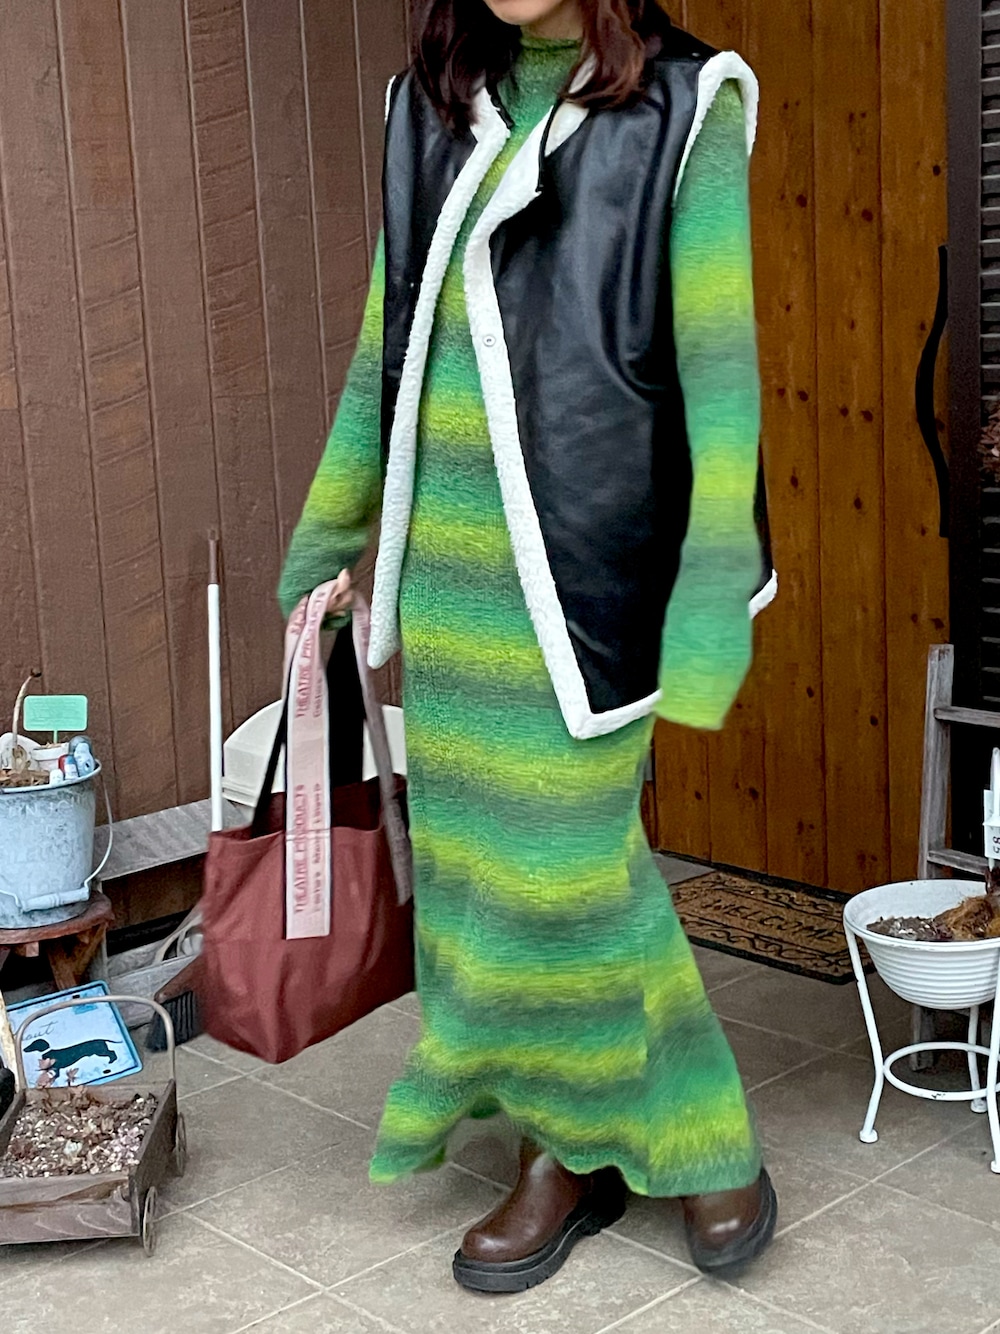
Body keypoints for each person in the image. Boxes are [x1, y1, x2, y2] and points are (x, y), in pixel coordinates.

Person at [279, 0, 778, 1294]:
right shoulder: (426, 107)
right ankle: (562, 1151)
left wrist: (714, 584)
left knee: (573, 877)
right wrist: (335, 529)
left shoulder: (686, 104)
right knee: (483, 889)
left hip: (586, 580)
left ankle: (691, 1133)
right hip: (448, 579)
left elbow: (720, 368)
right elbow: (384, 340)